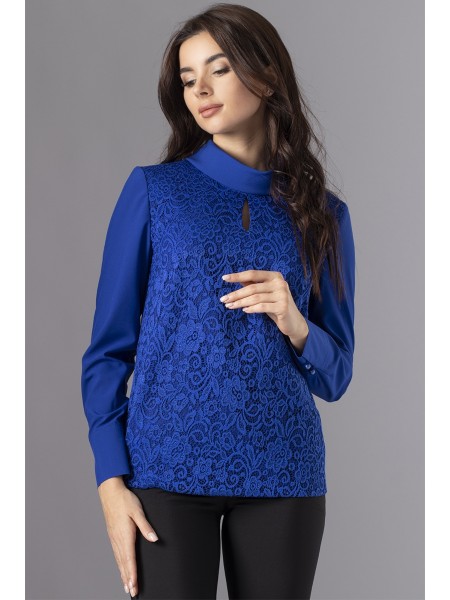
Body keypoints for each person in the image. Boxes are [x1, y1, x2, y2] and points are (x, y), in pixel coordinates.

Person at [80, 3, 356, 599]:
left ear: (267, 76)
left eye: (219, 69)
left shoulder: (324, 215)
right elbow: (107, 351)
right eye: (187, 79)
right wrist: (110, 479)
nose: (200, 90)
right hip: (165, 470)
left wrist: (294, 320)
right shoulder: (155, 192)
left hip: (284, 472)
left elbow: (336, 375)